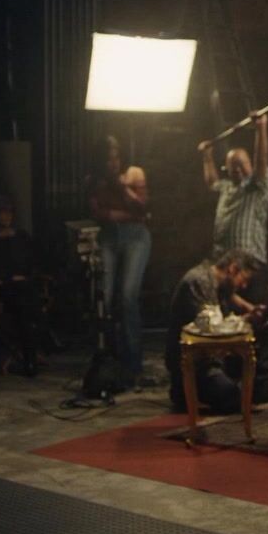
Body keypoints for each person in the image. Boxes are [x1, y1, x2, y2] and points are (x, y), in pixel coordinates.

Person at [164, 249, 268, 412]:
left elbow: (225, 322)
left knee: (263, 331)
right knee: (232, 398)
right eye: (244, 279)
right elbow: (211, 331)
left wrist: (256, 319)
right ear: (233, 269)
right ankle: (184, 392)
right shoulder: (199, 282)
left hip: (215, 356)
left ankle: (261, 390)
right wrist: (246, 321)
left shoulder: (221, 286)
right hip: (197, 363)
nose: (244, 286)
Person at [87, 135, 153, 390]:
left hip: (136, 238)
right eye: (107, 159)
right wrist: (126, 214)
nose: (112, 163)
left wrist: (123, 188)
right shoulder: (94, 181)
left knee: (127, 296)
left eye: (115, 157)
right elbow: (98, 213)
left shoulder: (134, 173)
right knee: (104, 298)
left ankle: (133, 364)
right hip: (109, 237)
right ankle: (108, 359)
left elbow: (142, 207)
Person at [197, 112, 268, 311]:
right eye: (233, 167)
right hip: (226, 268)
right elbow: (212, 182)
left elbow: (261, 162)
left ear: (250, 165)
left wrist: (261, 129)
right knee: (225, 317)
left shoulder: (257, 188)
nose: (238, 170)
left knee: (253, 317)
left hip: (250, 268)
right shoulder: (226, 188)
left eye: (242, 165)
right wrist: (207, 157)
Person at [0, 195, 48, 377]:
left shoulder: (22, 236)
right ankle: (34, 353)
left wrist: (26, 276)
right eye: (2, 212)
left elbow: (33, 261)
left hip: (24, 287)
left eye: (9, 212)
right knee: (25, 302)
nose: (7, 216)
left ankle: (30, 358)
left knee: (25, 300)